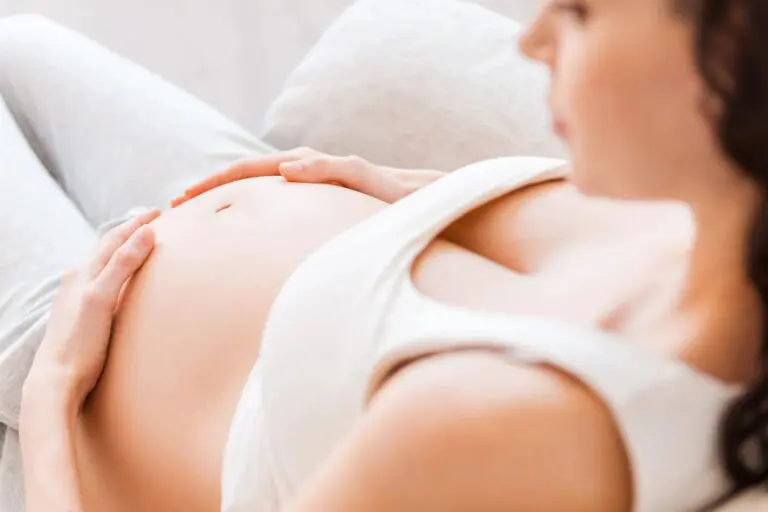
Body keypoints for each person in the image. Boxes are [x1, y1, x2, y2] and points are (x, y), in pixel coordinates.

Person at [8, 0, 768, 509]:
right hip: (228, 198)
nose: (532, 37)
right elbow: (550, 253)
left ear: (731, 64)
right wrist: (414, 192)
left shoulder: (501, 427)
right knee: (20, 40)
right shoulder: (710, 228)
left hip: (80, 353)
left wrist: (50, 396)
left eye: (580, 14)